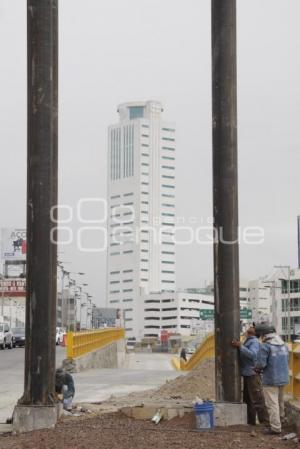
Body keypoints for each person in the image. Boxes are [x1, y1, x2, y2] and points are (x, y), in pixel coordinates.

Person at [256, 323, 289, 435]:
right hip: (283, 377)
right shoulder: (283, 344)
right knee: (280, 401)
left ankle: (275, 427)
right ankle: (281, 421)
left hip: (271, 379)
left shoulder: (265, 346)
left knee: (272, 403)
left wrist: (256, 369)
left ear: (263, 335)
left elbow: (261, 364)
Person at [231, 326, 269, 426]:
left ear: (255, 332)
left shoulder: (254, 342)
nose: (251, 327)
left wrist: (240, 346)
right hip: (248, 374)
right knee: (248, 400)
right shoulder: (248, 340)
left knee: (257, 399)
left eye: (253, 327)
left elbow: (253, 355)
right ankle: (250, 422)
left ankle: (265, 423)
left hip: (252, 374)